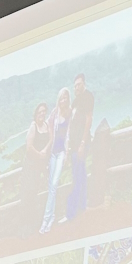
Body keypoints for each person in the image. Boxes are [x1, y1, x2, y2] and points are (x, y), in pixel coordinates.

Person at [40, 87, 72, 233]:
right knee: (51, 187)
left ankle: (46, 220)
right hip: (52, 153)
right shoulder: (54, 113)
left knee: (53, 184)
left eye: (65, 97)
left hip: (60, 153)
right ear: (58, 99)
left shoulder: (70, 112)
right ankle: (50, 217)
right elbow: (46, 126)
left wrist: (66, 153)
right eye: (61, 97)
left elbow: (69, 134)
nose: (63, 100)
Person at [20, 103, 52, 237]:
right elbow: (29, 147)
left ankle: (33, 224)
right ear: (36, 113)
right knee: (28, 194)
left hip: (39, 167)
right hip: (30, 166)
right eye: (40, 112)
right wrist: (40, 155)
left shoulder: (46, 125)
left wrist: (45, 151)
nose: (42, 114)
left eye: (44, 112)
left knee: (35, 193)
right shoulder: (33, 126)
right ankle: (25, 227)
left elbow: (51, 139)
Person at [66, 73, 95, 220]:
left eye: (79, 84)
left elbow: (89, 119)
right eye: (75, 86)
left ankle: (72, 211)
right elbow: (69, 120)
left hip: (81, 144)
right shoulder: (76, 102)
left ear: (84, 84)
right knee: (80, 174)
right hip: (73, 145)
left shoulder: (88, 97)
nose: (77, 87)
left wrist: (83, 143)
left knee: (77, 174)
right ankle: (82, 206)